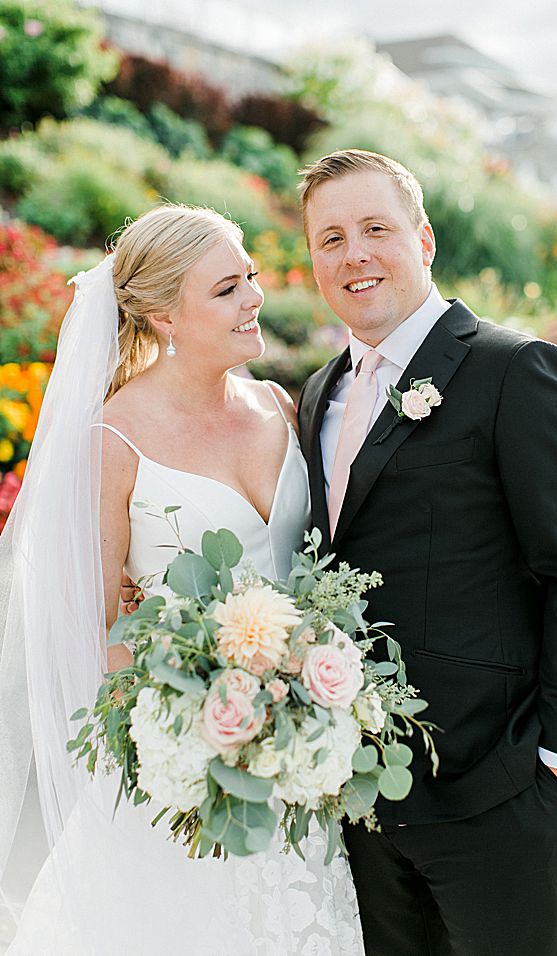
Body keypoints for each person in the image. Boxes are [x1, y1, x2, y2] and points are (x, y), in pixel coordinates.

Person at [0, 204, 363, 953]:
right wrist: (194, 732)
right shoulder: (114, 438)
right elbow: (94, 628)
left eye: (252, 277)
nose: (256, 298)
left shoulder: (279, 406)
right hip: (180, 777)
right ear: (165, 314)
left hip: (298, 756)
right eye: (227, 288)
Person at [294, 149, 557, 955]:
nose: (354, 254)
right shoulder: (316, 395)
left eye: (376, 228)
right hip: (363, 796)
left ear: (425, 239)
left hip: (499, 792)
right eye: (330, 238)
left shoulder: (517, 371)